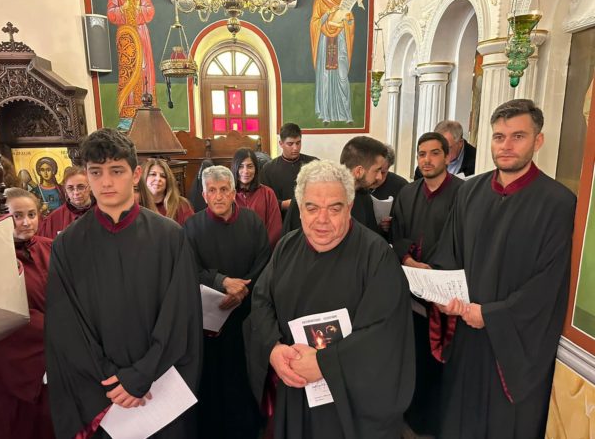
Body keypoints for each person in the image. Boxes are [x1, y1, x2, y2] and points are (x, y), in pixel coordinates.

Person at [430, 99, 576, 438]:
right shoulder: (469, 192)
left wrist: (491, 315)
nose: (506, 146)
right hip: (466, 337)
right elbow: (449, 254)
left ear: (538, 141)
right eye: (499, 137)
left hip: (515, 346)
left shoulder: (558, 203)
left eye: (518, 136)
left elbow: (550, 284)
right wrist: (442, 295)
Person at [45, 128, 203, 438]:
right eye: (96, 172)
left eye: (116, 171)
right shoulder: (67, 245)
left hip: (159, 388)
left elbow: (181, 318)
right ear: (86, 175)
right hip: (100, 393)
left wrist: (141, 376)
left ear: (136, 174)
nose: (106, 182)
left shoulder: (170, 237)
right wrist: (113, 381)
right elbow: (66, 328)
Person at [245, 160, 414, 439]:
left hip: (351, 404)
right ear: (300, 209)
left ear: (349, 207)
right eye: (312, 208)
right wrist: (272, 349)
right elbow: (262, 301)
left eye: (334, 208)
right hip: (296, 386)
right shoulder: (286, 247)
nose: (322, 219)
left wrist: (326, 364)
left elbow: (385, 334)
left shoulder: (376, 256)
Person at [185, 165, 271, 439]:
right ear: (204, 194)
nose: (219, 196)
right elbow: (188, 269)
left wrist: (242, 290)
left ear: (234, 192)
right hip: (209, 322)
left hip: (245, 317)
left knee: (243, 376)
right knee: (211, 380)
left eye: (224, 189)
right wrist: (221, 281)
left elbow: (264, 262)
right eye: (212, 190)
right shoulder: (191, 226)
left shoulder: (252, 222)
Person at [390, 132, 463, 437]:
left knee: (444, 361)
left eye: (434, 153)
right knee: (413, 354)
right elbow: (396, 232)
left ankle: (438, 420)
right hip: (411, 286)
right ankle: (412, 415)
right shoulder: (407, 193)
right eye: (422, 154)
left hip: (446, 291)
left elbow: (463, 239)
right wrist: (408, 259)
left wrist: (435, 269)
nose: (427, 160)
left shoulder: (463, 193)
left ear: (448, 156)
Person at [0, 188, 55, 439]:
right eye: (17, 216)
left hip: (57, 355)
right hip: (18, 362)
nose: (26, 222)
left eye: (31, 214)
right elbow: (7, 313)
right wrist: (57, 329)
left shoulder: (52, 247)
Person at [282, 136, 387, 236]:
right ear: (359, 171)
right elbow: (291, 243)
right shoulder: (308, 195)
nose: (379, 177)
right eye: (377, 170)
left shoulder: (364, 197)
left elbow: (371, 239)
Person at [107, 0, 156, 129]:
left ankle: (147, 113)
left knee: (144, 71)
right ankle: (127, 118)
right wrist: (123, 9)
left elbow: (150, 10)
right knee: (127, 74)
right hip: (126, 36)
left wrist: (137, 9)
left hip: (141, 34)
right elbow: (111, 13)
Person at [310, 0, 356, 124]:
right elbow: (314, 22)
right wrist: (328, 13)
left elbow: (350, 22)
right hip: (325, 42)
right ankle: (326, 115)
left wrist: (348, 21)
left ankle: (346, 115)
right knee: (325, 79)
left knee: (342, 77)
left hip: (341, 42)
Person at [260, 123, 317, 216]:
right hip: (282, 218)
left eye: (298, 143)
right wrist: (283, 204)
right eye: (290, 144)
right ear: (281, 144)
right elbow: (264, 200)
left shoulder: (313, 164)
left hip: (310, 216)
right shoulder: (268, 169)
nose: (295, 148)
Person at [232, 148, 282, 249]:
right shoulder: (228, 195)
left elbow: (275, 228)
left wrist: (262, 250)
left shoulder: (268, 193)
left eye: (250, 166)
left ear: (256, 169)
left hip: (264, 251)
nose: (246, 171)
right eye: (241, 166)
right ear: (235, 168)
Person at [38, 166, 95, 239]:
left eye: (81, 187)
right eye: (70, 188)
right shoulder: (54, 218)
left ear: (90, 186)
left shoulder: (104, 211)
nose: (76, 192)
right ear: (65, 189)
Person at [142, 158, 194, 226]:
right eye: (153, 174)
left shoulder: (182, 205)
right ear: (144, 178)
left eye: (163, 176)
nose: (158, 179)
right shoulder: (137, 204)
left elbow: (192, 230)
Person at [370, 144, 407, 233]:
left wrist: (393, 224)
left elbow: (408, 221)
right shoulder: (359, 184)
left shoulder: (402, 186)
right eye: (375, 171)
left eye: (383, 172)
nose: (378, 177)